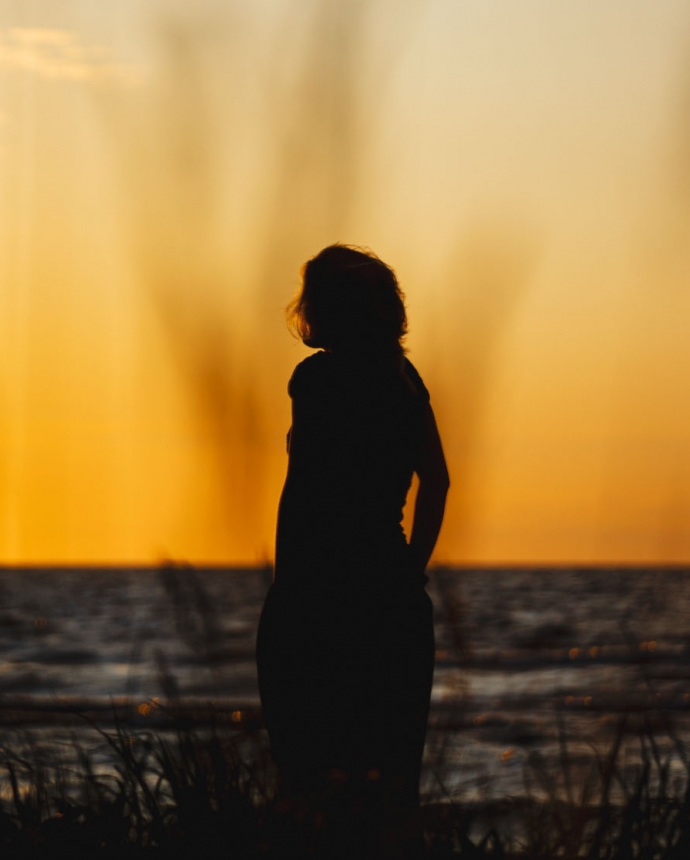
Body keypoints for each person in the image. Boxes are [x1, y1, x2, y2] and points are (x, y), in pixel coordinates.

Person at [256, 244, 449, 858]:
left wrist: (288, 596)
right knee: (390, 790)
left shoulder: (314, 379)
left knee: (311, 782)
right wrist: (409, 571)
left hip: (318, 593)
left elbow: (304, 496)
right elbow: (438, 481)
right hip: (391, 591)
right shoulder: (405, 379)